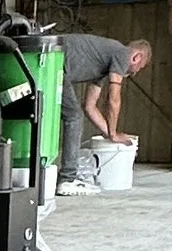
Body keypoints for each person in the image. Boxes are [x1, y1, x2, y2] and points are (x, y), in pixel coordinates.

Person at [54, 32, 151, 184]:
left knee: (75, 115)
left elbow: (90, 106)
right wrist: (113, 134)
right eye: (139, 68)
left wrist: (110, 134)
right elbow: (113, 99)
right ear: (136, 57)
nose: (135, 73)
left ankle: (66, 175)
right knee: (74, 117)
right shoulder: (122, 54)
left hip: (56, 64)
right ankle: (68, 179)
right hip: (55, 62)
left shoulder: (105, 66)